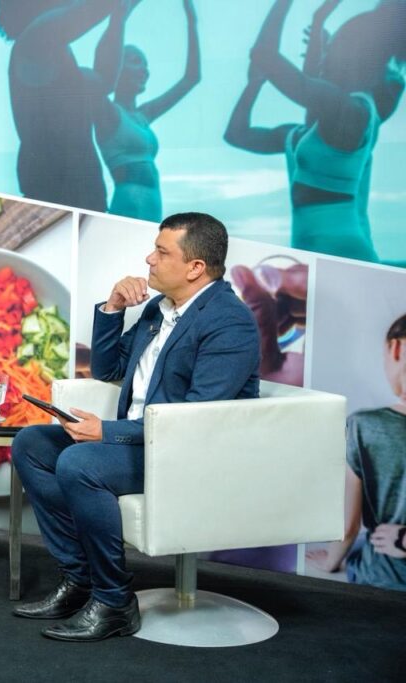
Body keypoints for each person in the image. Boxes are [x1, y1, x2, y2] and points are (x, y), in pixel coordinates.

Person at [10, 212, 260, 642]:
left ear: (195, 267)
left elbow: (193, 419)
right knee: (32, 443)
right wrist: (112, 309)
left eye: (162, 252)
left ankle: (114, 602)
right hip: (143, 441)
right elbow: (109, 369)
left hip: (188, 453)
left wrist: (106, 433)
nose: (149, 259)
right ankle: (80, 579)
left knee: (80, 463)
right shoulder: (158, 309)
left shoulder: (228, 321)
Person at [224, 0, 405, 263]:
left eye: (329, 48)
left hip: (343, 256)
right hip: (317, 255)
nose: (323, 55)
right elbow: (236, 135)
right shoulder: (305, 134)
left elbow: (265, 55)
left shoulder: (352, 111)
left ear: (348, 57)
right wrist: (255, 82)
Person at [0, 0, 137, 211]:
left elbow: (104, 81)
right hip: (53, 200)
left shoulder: (57, 57)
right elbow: (97, 7)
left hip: (84, 197)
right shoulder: (33, 39)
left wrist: (119, 17)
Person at [307, 314, 406, 591]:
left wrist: (330, 562)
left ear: (395, 349)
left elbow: (348, 528)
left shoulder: (364, 426)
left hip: (384, 579)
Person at [94, 0, 200, 222]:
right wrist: (121, 14)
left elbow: (191, 78)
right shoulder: (108, 113)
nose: (145, 70)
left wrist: (192, 22)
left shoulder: (143, 116)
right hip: (128, 207)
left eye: (146, 65)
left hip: (152, 208)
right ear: (117, 66)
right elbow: (104, 60)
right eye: (136, 62)